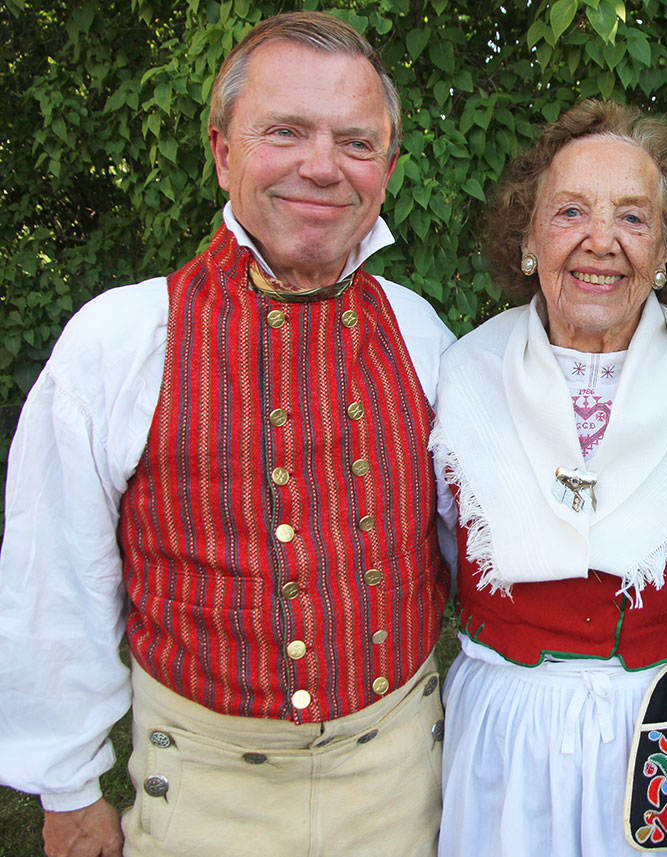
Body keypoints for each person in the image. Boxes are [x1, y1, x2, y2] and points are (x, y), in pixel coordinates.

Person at [0, 12, 454, 857]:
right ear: (222, 151)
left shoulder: (422, 335)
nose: (323, 166)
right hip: (204, 795)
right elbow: (53, 575)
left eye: (356, 142)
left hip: (404, 786)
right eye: (286, 132)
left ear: (386, 171)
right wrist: (65, 788)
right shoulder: (122, 340)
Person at [431, 99, 667, 857]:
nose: (600, 241)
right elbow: (445, 555)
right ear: (528, 238)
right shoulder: (462, 380)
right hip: (507, 738)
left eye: (631, 217)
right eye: (570, 213)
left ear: (663, 249)